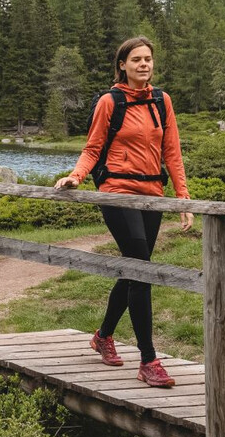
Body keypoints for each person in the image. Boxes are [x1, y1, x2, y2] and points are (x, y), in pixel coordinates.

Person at [55, 36, 193, 387]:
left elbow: (172, 152)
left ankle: (103, 335)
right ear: (123, 65)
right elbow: (92, 148)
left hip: (152, 194)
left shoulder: (162, 101)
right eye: (136, 60)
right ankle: (148, 360)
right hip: (116, 191)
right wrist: (76, 176)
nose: (144, 65)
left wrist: (183, 197)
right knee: (141, 269)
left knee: (134, 269)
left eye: (148, 59)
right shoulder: (109, 101)